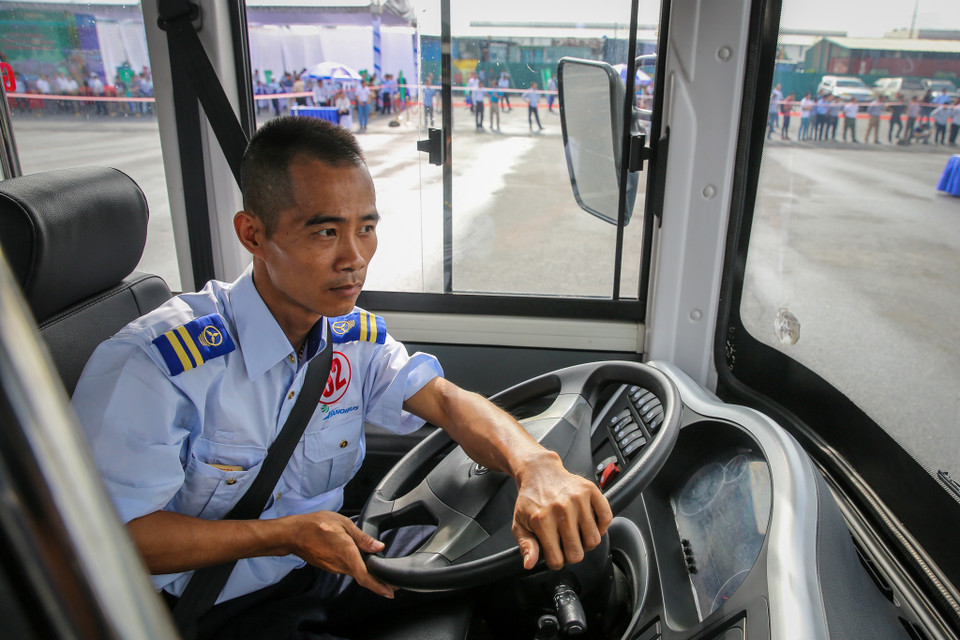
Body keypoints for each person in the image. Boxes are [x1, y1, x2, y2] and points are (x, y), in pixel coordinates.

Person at [71, 116, 612, 640]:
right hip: (215, 607)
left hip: (322, 564)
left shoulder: (349, 338)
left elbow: (446, 402)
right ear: (253, 234)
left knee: (507, 563)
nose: (354, 258)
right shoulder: (157, 366)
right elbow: (113, 541)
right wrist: (284, 536)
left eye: (366, 229)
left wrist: (536, 465)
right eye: (326, 231)